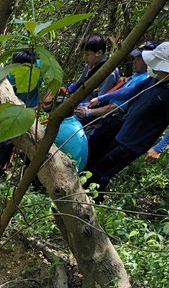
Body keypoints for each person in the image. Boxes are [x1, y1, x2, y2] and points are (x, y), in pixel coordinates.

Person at [88, 41, 169, 197]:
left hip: (133, 144)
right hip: (123, 133)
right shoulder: (154, 79)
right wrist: (103, 98)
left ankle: (92, 203)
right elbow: (132, 91)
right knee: (97, 165)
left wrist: (158, 148)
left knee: (103, 171)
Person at [80, 41, 159, 169]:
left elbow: (117, 107)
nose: (134, 62)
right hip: (107, 120)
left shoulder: (145, 79)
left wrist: (89, 112)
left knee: (90, 152)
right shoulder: (137, 77)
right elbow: (122, 93)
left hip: (114, 122)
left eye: (139, 59)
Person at [64, 33, 120, 109]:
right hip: (80, 104)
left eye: (87, 55)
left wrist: (76, 106)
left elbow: (101, 101)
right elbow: (80, 83)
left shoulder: (109, 74)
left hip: (87, 111)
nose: (84, 58)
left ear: (99, 53)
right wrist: (67, 90)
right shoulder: (90, 66)